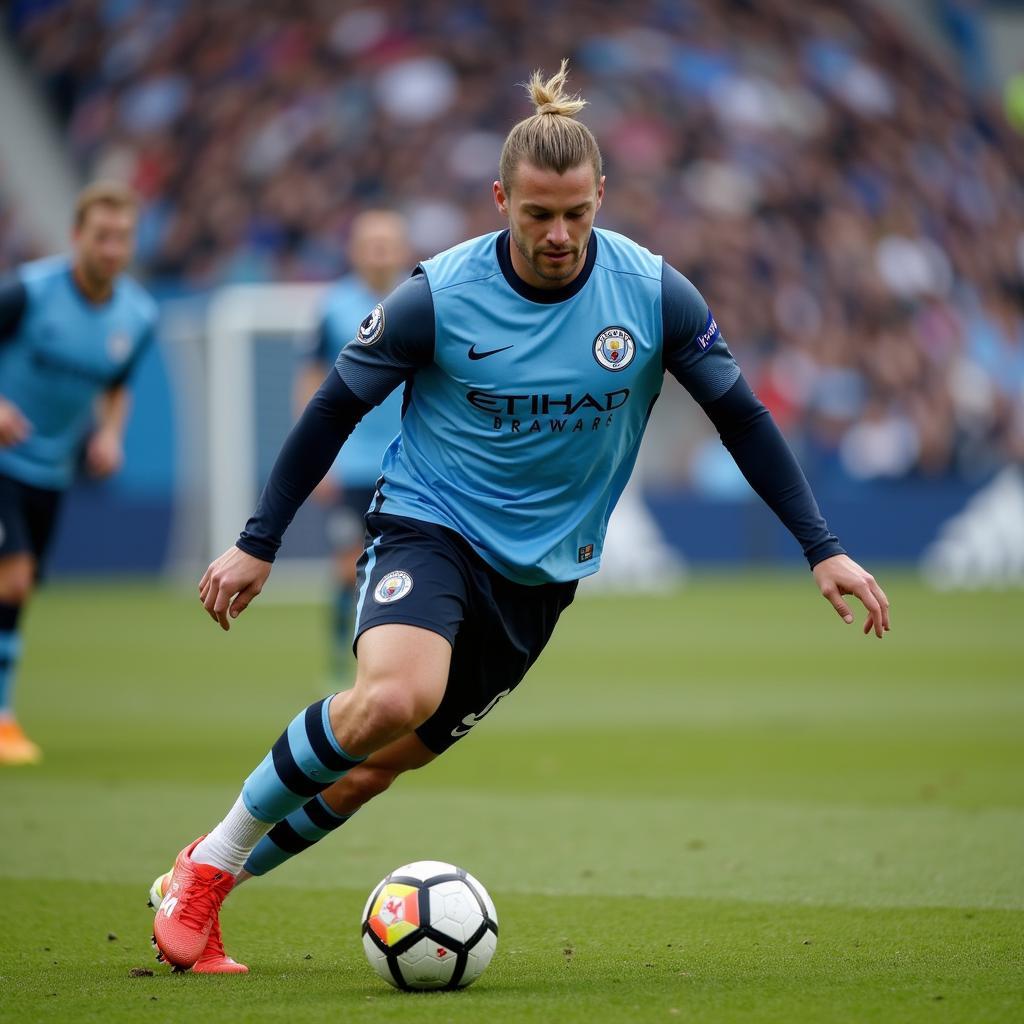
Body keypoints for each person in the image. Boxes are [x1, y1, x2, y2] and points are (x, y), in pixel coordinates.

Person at [151, 62, 889, 975]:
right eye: (537, 213)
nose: (558, 234)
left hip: (541, 575)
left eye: (576, 213)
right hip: (433, 521)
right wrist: (258, 542)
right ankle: (210, 870)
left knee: (380, 764)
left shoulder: (655, 296)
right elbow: (331, 407)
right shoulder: (438, 296)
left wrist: (824, 550)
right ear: (501, 199)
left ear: (602, 197)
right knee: (393, 696)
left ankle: (201, 871)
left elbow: (741, 417)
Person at [0, 181, 156, 765]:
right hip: (2, 463)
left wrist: (111, 434)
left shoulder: (137, 315)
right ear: (76, 237)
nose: (112, 249)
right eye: (101, 237)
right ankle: (4, 720)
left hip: (51, 471)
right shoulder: (27, 293)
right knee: (11, 579)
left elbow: (117, 387)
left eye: (122, 238)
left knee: (21, 589)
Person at [295, 211, 411, 679]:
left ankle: (398, 657)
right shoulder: (333, 307)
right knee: (349, 565)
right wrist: (316, 457)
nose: (380, 251)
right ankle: (340, 662)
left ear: (402, 249)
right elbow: (310, 382)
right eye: (371, 243)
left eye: (388, 243)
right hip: (353, 459)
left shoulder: (423, 298)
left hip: (413, 461)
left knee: (411, 563)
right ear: (355, 250)